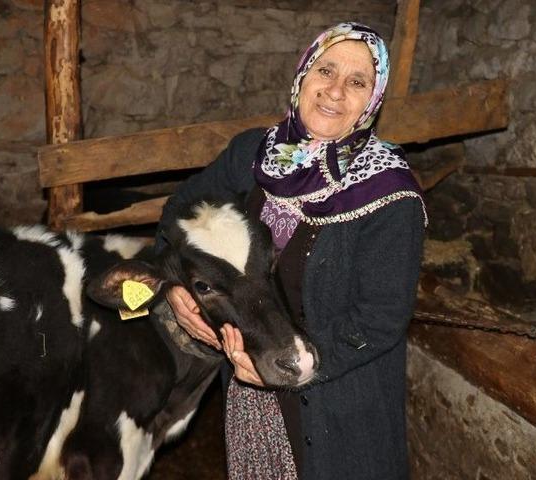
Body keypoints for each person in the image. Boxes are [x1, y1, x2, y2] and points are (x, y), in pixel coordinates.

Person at [157, 22, 426, 479]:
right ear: (303, 74)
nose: (334, 91)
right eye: (325, 70)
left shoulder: (390, 195)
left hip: (338, 403)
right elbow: (179, 213)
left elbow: (380, 319)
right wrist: (171, 286)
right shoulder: (253, 154)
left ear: (374, 100)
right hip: (250, 390)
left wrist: (294, 366)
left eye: (357, 82)